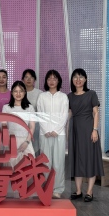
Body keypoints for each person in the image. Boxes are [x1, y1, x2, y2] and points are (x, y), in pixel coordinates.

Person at [67, 68, 104, 202]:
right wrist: (66, 132)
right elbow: (69, 114)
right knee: (77, 160)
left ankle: (89, 192)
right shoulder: (69, 96)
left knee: (90, 160)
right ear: (72, 80)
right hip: (75, 131)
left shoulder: (91, 94)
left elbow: (96, 113)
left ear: (85, 79)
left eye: (81, 77)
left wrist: (95, 130)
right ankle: (78, 191)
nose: (78, 80)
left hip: (89, 131)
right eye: (75, 77)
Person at [37, 70, 69, 199]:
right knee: (46, 162)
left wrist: (56, 130)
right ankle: (46, 187)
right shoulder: (42, 96)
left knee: (58, 163)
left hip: (59, 134)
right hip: (44, 133)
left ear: (58, 81)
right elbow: (39, 114)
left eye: (54, 78)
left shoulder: (63, 97)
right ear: (46, 81)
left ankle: (58, 189)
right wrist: (46, 130)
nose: (51, 81)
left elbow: (64, 115)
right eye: (49, 79)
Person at [2, 81, 35, 168]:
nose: (18, 94)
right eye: (15, 91)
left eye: (21, 91)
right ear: (12, 93)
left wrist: (27, 142)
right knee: (11, 168)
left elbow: (32, 127)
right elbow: (4, 126)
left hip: (26, 140)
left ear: (25, 92)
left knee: (28, 166)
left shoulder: (30, 108)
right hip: (11, 141)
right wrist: (8, 142)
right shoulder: (6, 108)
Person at [22, 68, 42, 155]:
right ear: (23, 79)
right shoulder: (18, 92)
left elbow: (41, 112)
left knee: (34, 148)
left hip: (35, 125)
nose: (29, 79)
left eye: (31, 77)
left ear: (34, 79)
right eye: (26, 77)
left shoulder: (39, 93)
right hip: (21, 125)